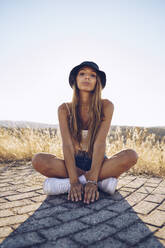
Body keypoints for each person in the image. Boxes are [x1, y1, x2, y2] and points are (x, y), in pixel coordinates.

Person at [32, 61, 138, 204]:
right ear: (75, 79)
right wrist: (74, 180)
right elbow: (67, 145)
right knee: (38, 160)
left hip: (97, 161)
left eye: (92, 75)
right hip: (73, 163)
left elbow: (100, 143)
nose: (87, 77)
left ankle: (72, 183)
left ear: (97, 81)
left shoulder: (106, 106)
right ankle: (100, 182)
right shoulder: (64, 109)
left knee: (131, 155)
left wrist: (91, 180)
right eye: (82, 74)